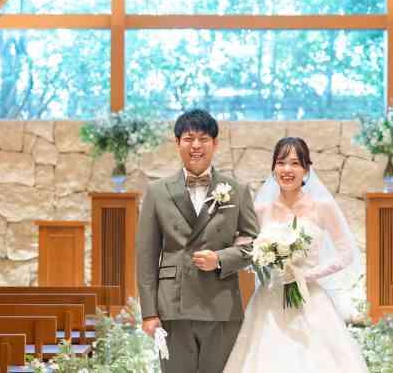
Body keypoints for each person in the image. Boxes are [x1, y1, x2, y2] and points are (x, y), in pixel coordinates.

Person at [223, 137, 369, 373]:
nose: (287, 170)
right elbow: (244, 248)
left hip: (310, 298)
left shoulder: (322, 206)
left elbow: (346, 253)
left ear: (306, 170)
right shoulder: (261, 209)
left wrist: (308, 275)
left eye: (295, 163)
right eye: (281, 163)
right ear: (273, 169)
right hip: (269, 300)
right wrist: (259, 255)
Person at [136, 109, 259, 373]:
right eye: (188, 138)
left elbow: (255, 246)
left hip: (221, 304)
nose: (196, 146)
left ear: (215, 144)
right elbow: (146, 256)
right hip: (172, 305)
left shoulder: (237, 190)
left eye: (203, 139)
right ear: (177, 142)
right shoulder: (157, 192)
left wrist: (220, 259)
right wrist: (149, 312)